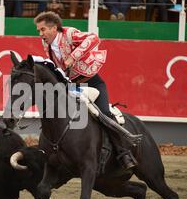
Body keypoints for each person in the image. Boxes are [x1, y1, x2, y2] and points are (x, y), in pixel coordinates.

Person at [33, 11, 138, 170]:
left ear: (54, 28)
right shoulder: (45, 44)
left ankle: (124, 154)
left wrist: (73, 57)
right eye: (39, 31)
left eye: (42, 30)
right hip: (71, 86)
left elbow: (94, 38)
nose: (40, 34)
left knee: (104, 114)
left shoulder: (69, 33)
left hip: (92, 83)